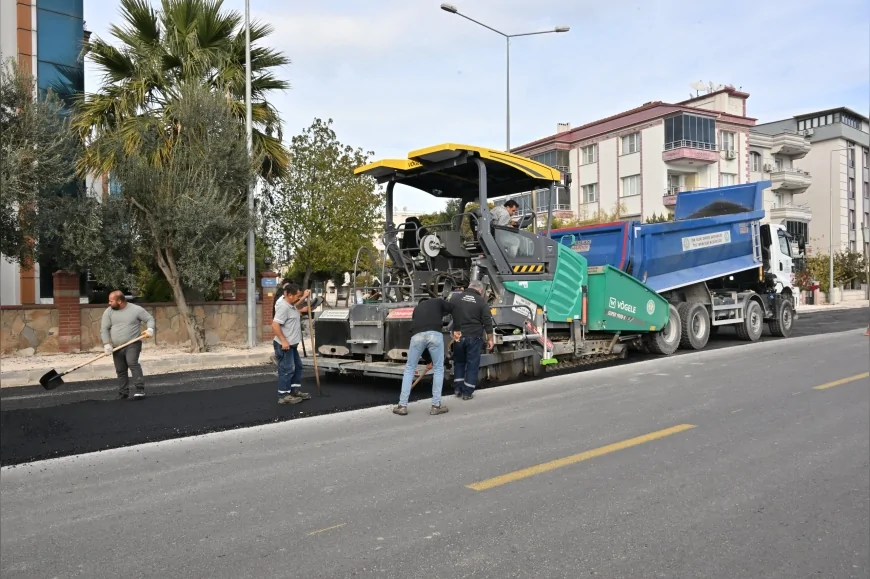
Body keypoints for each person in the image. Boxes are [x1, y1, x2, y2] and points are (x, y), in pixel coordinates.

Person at [393, 297, 454, 416]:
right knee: (438, 369)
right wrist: (457, 328)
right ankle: (436, 406)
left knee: (409, 368)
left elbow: (422, 338)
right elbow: (454, 308)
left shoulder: (416, 309)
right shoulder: (437, 301)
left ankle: (402, 406)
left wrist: (428, 359)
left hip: (417, 336)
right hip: (434, 334)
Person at [101, 291, 155, 400]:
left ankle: (140, 390)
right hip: (117, 346)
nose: (109, 303)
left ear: (119, 301)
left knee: (132, 362)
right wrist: (106, 344)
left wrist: (150, 329)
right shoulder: (108, 312)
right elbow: (104, 329)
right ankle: (123, 392)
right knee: (120, 369)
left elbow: (149, 319)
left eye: (111, 301)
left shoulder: (136, 309)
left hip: (133, 343)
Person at [448, 280, 494, 400]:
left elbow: (448, 312)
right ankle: (467, 392)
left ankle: (458, 389)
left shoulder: (455, 298)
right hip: (474, 336)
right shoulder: (481, 301)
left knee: (459, 362)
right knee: (472, 364)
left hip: (458, 336)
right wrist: (490, 339)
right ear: (480, 290)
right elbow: (487, 321)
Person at [272, 282, 312, 404]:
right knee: (287, 369)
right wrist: (284, 341)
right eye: (297, 296)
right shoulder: (283, 307)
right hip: (284, 345)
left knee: (297, 367)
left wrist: (305, 297)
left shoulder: (291, 305)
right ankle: (283, 395)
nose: (298, 298)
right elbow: (275, 324)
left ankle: (294, 390)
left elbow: (295, 307)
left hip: (292, 345)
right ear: (289, 295)